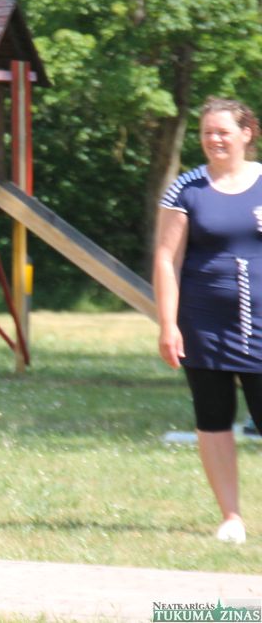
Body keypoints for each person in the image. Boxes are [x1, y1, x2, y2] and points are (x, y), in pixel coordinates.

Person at [154, 96, 262, 545]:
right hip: (204, 325)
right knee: (213, 417)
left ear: (246, 134)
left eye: (223, 132)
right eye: (207, 133)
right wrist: (168, 324)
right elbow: (166, 258)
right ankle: (231, 517)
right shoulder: (186, 188)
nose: (214, 139)